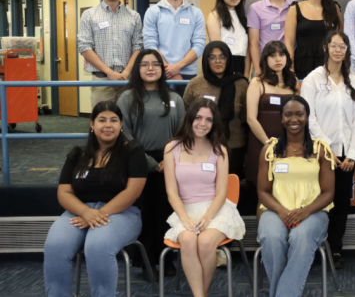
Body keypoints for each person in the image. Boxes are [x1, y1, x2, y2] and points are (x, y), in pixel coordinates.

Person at [44, 101, 148, 297]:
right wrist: (86, 212)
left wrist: (97, 214)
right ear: (92, 124)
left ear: (121, 124)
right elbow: (64, 193)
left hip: (123, 213)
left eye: (113, 120)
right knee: (55, 246)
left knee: (98, 246)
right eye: (102, 120)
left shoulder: (133, 151)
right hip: (79, 212)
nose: (108, 125)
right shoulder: (78, 154)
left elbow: (132, 192)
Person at [163, 99, 246, 297]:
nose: (203, 123)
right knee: (189, 240)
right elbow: (171, 192)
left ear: (214, 123)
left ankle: (201, 294)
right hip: (185, 211)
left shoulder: (220, 150)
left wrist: (207, 218)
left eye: (209, 120)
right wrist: (185, 219)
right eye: (198, 117)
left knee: (207, 242)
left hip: (215, 210)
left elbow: (221, 193)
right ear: (189, 119)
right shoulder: (171, 148)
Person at [256, 95, 336, 297]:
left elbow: (328, 192)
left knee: (300, 237)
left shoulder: (321, 150)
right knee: (272, 237)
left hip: (313, 212)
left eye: (299, 114)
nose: (294, 119)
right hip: (275, 210)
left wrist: (304, 212)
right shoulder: (270, 150)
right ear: (281, 118)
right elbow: (263, 191)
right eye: (288, 115)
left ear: (307, 117)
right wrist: (282, 211)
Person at [117, 49, 185, 279]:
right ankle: (146, 262)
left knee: (167, 212)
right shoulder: (127, 98)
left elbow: (182, 134)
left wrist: (168, 160)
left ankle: (167, 259)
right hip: (138, 160)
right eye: (144, 64)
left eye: (155, 64)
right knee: (145, 213)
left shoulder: (174, 98)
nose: (150, 68)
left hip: (169, 162)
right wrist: (149, 163)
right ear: (137, 69)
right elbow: (123, 134)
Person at [301, 30, 355, 268]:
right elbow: (309, 117)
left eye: (343, 47)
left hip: (347, 156)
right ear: (326, 48)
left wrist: (352, 155)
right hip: (320, 153)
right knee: (318, 201)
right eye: (334, 45)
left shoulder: (354, 81)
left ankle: (335, 249)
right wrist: (327, 148)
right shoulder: (313, 79)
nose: (338, 50)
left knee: (341, 203)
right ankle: (312, 246)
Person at [77, 0, 143, 107]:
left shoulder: (134, 16)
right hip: (102, 81)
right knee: (102, 122)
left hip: (128, 80)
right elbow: (84, 47)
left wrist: (126, 73)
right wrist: (109, 72)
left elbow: (138, 47)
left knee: (128, 122)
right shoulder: (89, 15)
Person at [245, 41, 298, 207]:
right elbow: (251, 119)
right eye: (272, 55)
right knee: (263, 193)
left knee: (287, 191)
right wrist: (269, 144)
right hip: (262, 145)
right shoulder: (257, 82)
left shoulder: (293, 82)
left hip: (289, 146)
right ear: (265, 59)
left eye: (281, 55)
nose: (278, 59)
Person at [183, 42, 248, 178]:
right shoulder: (195, 84)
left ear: (229, 59)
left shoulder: (241, 84)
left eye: (222, 57)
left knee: (232, 187)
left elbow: (245, 118)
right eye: (212, 57)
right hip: (202, 145)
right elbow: (187, 115)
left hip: (234, 146)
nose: (217, 61)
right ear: (206, 60)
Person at [143, 0, 206, 96]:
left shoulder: (196, 13)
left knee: (187, 113)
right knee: (161, 112)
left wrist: (177, 67)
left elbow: (199, 45)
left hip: (188, 74)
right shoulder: (152, 12)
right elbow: (150, 44)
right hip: (160, 72)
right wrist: (167, 69)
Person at [284, 0, 343, 79]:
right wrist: (290, 70)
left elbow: (340, 40)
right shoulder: (295, 9)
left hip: (329, 63)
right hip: (302, 62)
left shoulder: (334, 8)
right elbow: (289, 43)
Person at [248, 0, 294, 77]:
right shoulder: (255, 8)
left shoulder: (295, 6)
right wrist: (258, 70)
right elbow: (253, 43)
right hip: (264, 66)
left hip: (287, 65)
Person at [206, 0, 249, 77]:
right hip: (222, 63)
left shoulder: (244, 18)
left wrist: (246, 74)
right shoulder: (215, 15)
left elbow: (247, 50)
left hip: (240, 63)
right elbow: (216, 47)